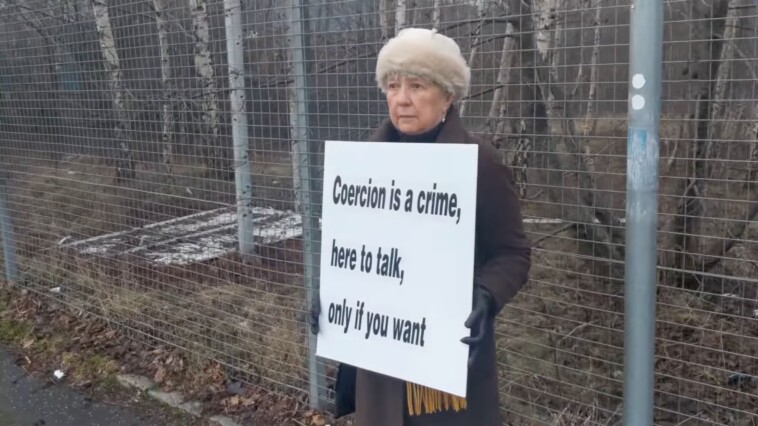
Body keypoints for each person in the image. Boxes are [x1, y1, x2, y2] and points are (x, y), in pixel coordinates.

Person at [310, 27, 531, 426]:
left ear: (447, 95)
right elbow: (357, 254)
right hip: (380, 364)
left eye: (416, 85)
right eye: (393, 86)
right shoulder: (364, 164)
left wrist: (485, 297)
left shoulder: (478, 162)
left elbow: (513, 254)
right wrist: (333, 300)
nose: (402, 99)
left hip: (445, 363)